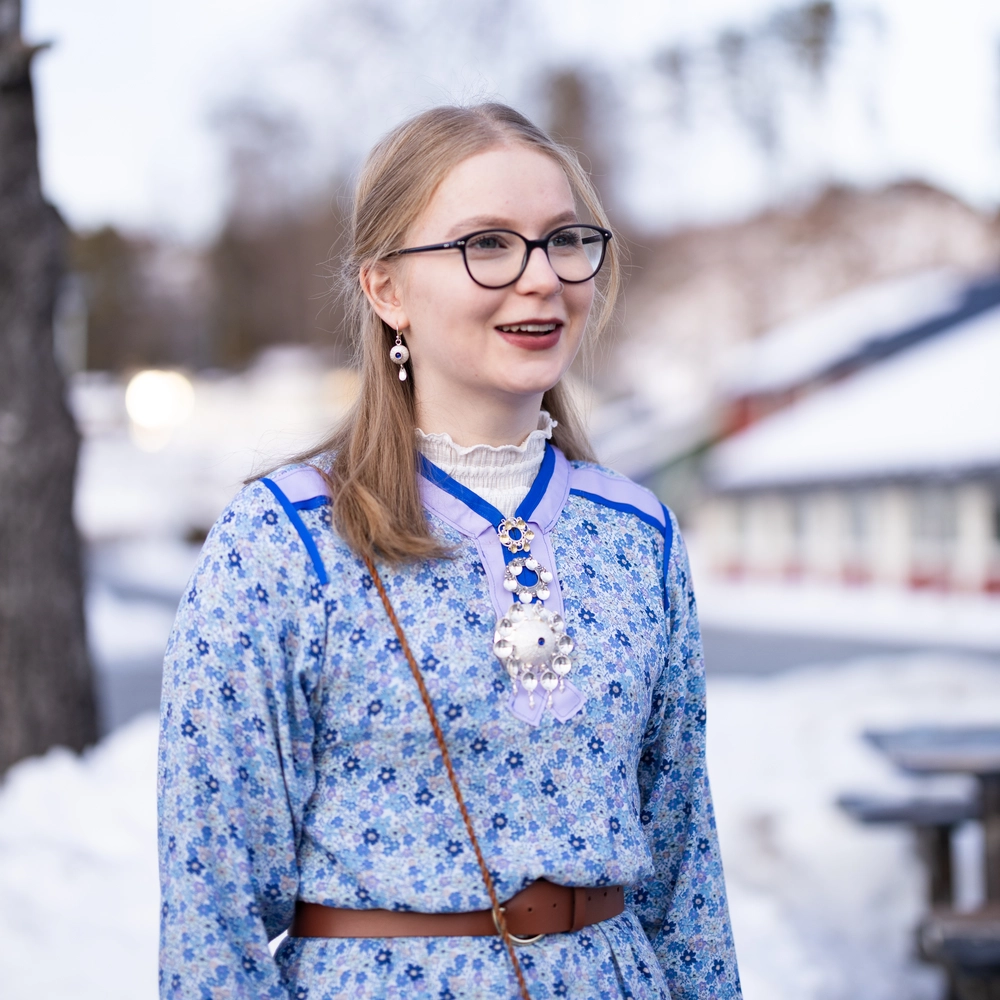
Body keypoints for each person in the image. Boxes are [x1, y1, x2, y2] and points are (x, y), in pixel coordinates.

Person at [158, 103, 741, 1000]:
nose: (541, 278)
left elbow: (682, 863)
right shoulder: (283, 540)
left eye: (563, 241)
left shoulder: (640, 535)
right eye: (488, 244)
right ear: (386, 287)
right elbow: (213, 903)